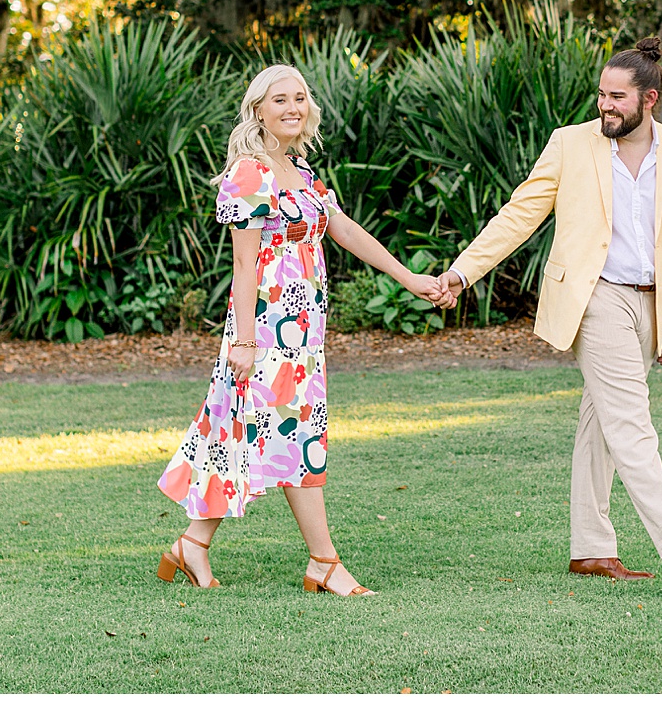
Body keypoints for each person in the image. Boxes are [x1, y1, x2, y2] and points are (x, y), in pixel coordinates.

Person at [437, 36, 662, 584]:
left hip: (650, 305)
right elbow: (519, 215)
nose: (605, 105)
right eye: (601, 94)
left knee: (601, 425)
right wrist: (462, 272)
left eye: (617, 97)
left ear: (649, 100)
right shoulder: (570, 144)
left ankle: (591, 550)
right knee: (629, 420)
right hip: (594, 296)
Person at [156, 64, 452, 596]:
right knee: (293, 438)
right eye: (279, 100)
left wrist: (409, 279)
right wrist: (244, 342)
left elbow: (344, 230)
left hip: (304, 334)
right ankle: (324, 561)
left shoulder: (302, 170)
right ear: (257, 111)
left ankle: (192, 545)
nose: (292, 107)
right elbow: (244, 266)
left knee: (245, 436)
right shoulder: (250, 174)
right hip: (266, 331)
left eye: (299, 98)